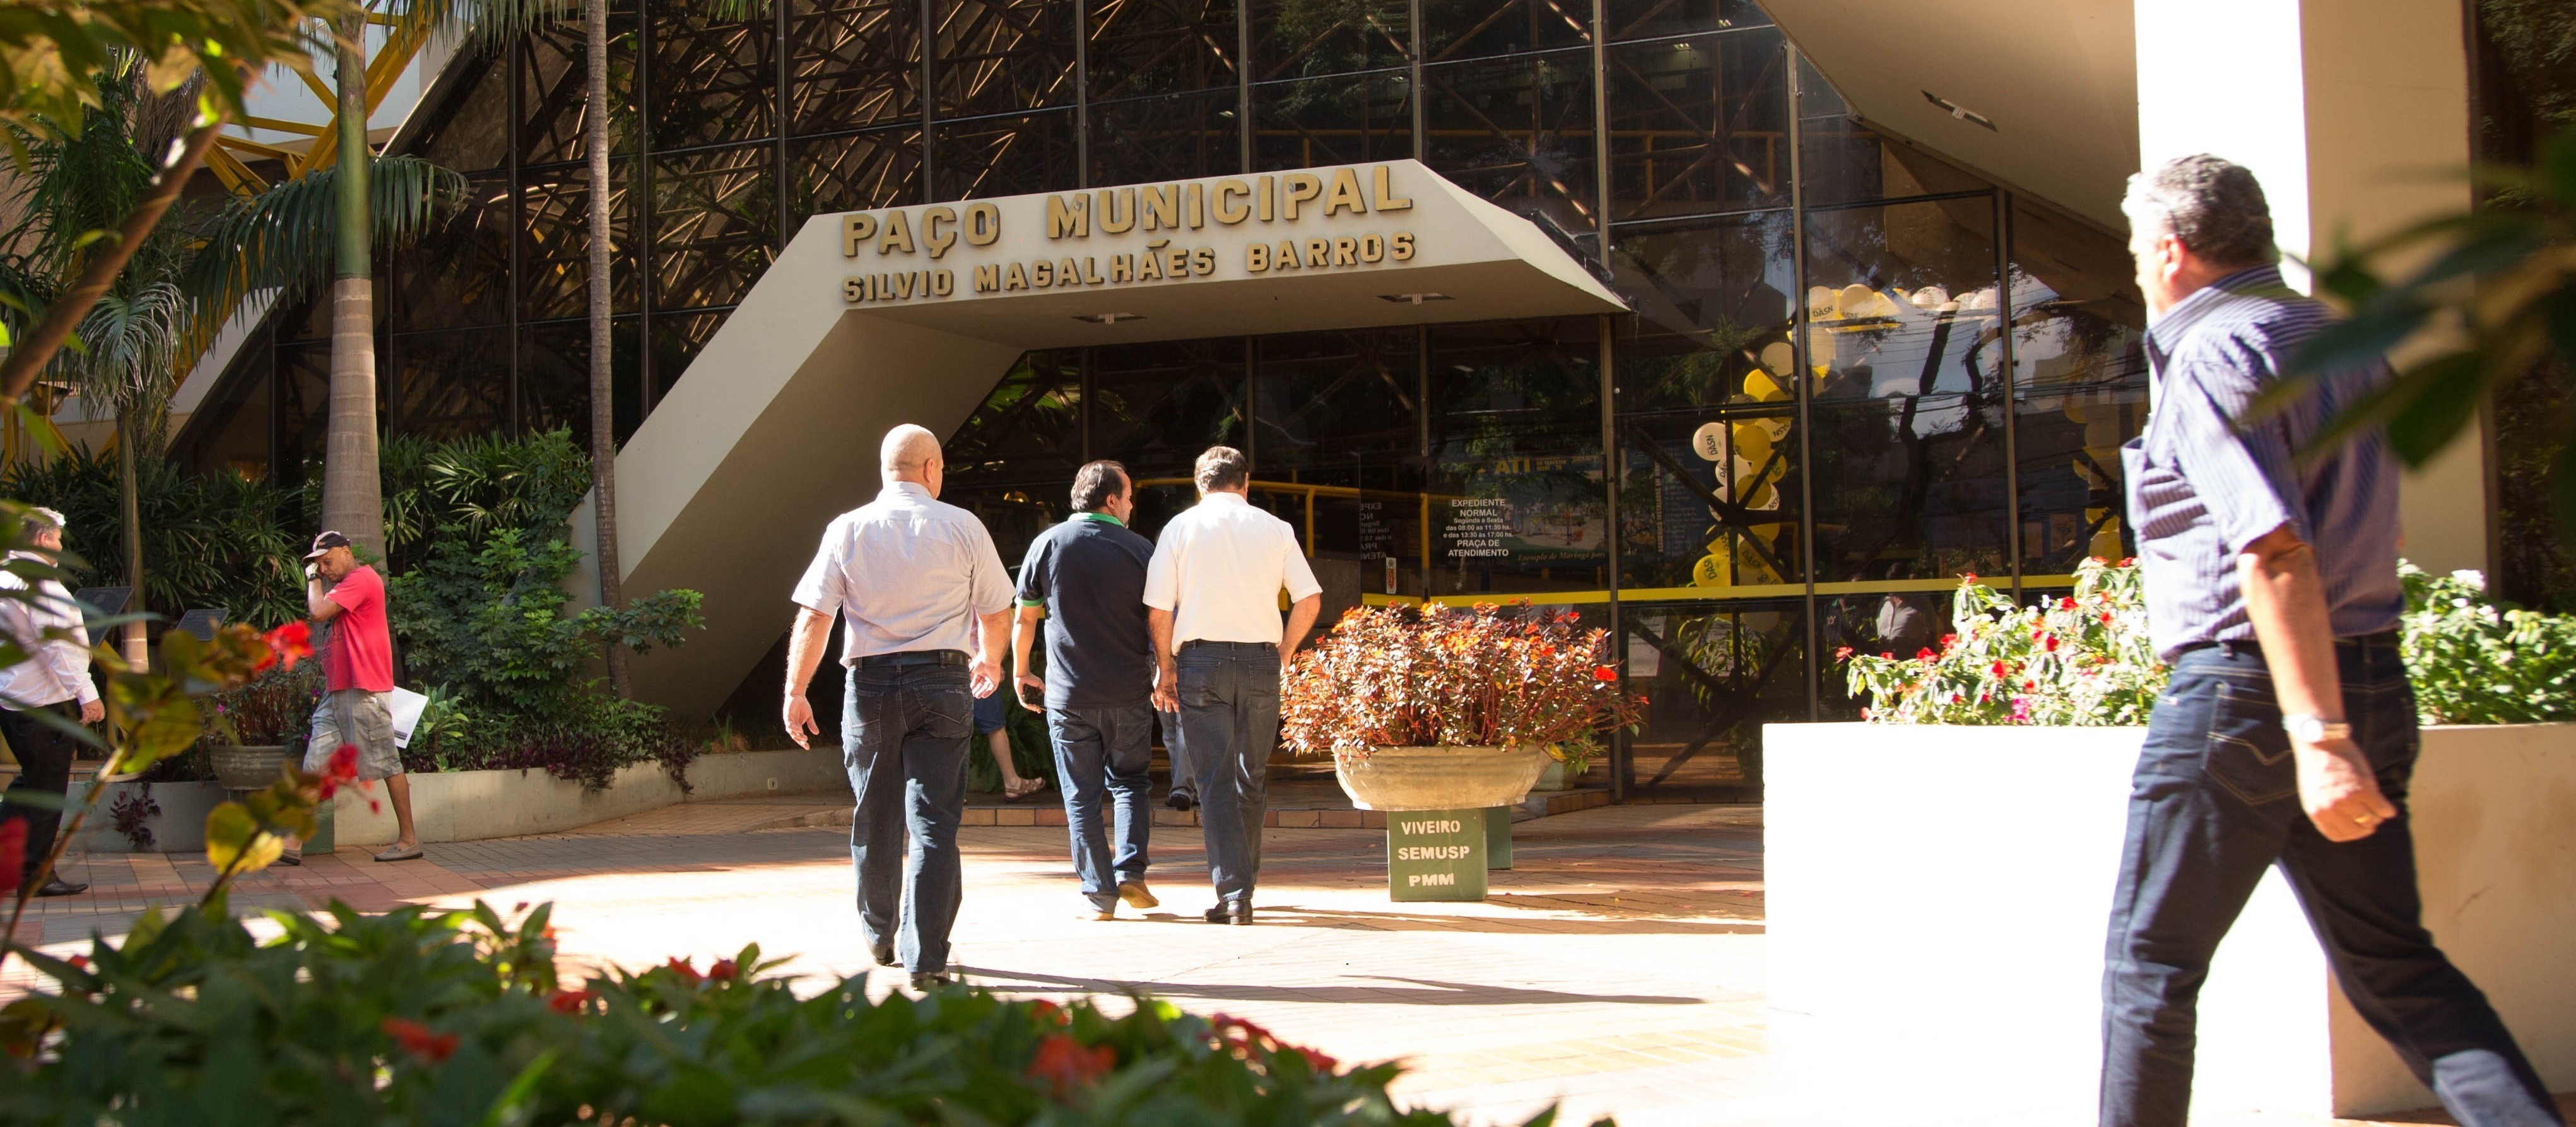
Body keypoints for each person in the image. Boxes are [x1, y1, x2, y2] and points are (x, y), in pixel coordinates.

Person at [2099, 155, 2561, 1127]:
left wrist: (2314, 735)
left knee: (2150, 967)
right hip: (2368, 679)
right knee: (2394, 964)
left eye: (2140, 249)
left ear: (2172, 251)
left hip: (2245, 699)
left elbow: (2271, 548)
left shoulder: (2214, 354)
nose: (2137, 267)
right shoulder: (2334, 340)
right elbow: (2373, 529)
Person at [784, 423, 1011, 989]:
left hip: (871, 685)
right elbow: (997, 610)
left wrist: (795, 692)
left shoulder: (848, 528)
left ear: (887, 470)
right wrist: (991, 660)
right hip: (944, 683)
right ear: (932, 468)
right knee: (934, 823)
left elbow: (816, 616)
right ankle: (927, 955)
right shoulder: (963, 526)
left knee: (876, 815)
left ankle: (881, 934)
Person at [1144, 447, 1320, 925]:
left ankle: (1234, 894)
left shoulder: (1179, 528)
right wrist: (1282, 652)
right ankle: (1244, 888)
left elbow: (1159, 610)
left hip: (1201, 661)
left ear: (1199, 485)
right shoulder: (1276, 528)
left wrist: (1165, 667)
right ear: (1245, 484)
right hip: (1262, 660)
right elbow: (1309, 598)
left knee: (1214, 780)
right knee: (1251, 777)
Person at [1011, 460, 1160, 920]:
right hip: (1130, 692)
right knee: (1131, 783)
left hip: (1069, 696)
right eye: (1130, 495)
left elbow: (1025, 618)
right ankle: (1131, 869)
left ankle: (1100, 894)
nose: (1133, 504)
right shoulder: (1141, 550)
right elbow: (1159, 619)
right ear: (1112, 500)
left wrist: (1021, 671)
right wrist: (1165, 670)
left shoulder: (1048, 544)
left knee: (1080, 795)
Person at [287, 531, 421, 864]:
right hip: (339, 691)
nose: (324, 569)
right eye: (318, 564)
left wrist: (312, 580)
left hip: (364, 690)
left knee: (387, 762)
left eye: (327, 561)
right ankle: (292, 842)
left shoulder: (362, 578)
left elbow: (317, 611)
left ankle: (409, 839)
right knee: (315, 763)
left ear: (347, 552)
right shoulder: (347, 586)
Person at [0, 507, 102, 897]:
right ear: (43, 538)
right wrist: (88, 695)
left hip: (13, 698)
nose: (60, 546)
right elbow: (62, 647)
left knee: (32, 779)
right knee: (47, 788)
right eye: (58, 538)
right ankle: (35, 874)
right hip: (44, 701)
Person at [974, 691, 1042, 801]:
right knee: (995, 726)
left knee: (950, 729)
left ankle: (950, 792)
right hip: (980, 678)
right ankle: (1013, 783)